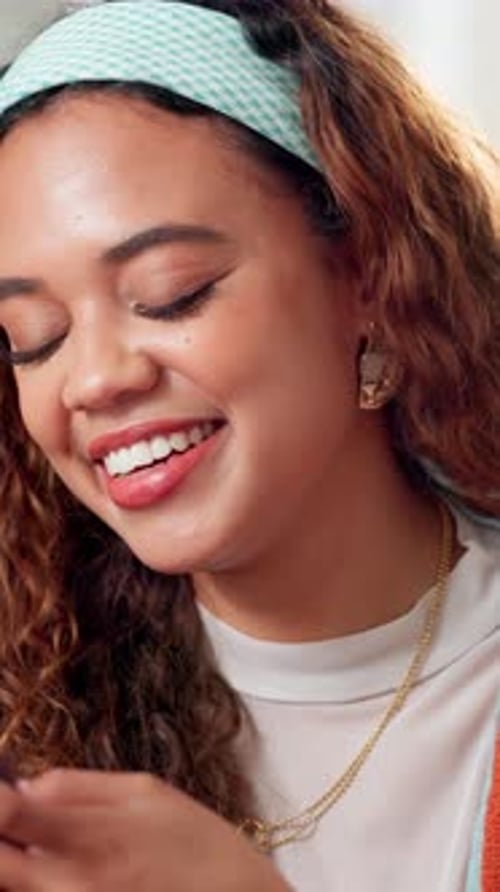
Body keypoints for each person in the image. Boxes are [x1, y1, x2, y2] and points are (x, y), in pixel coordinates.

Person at [0, 1, 497, 889]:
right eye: (32, 337)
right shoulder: (27, 713)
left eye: (171, 292)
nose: (93, 380)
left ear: (370, 278)